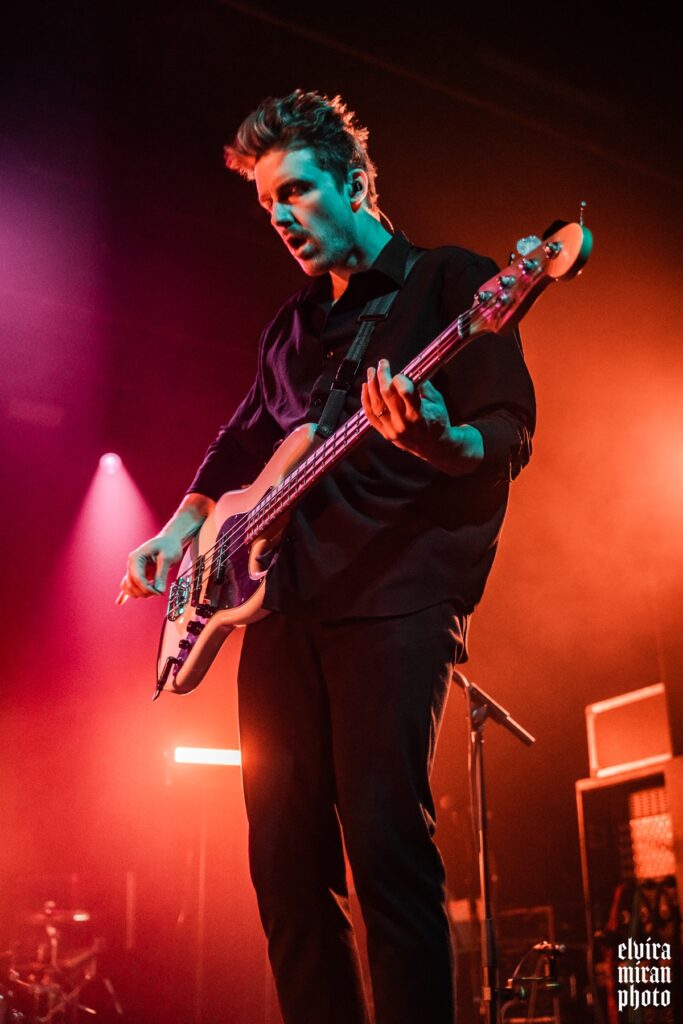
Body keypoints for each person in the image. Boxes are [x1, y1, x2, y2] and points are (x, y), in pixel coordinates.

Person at [118, 89, 536, 1024]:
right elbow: (238, 441)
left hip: (394, 597)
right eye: (268, 204)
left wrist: (439, 440)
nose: (280, 218)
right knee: (283, 867)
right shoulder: (292, 326)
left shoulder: (450, 283)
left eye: (297, 192)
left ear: (352, 183)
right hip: (280, 605)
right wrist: (180, 527)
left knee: (386, 846)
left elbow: (506, 431)